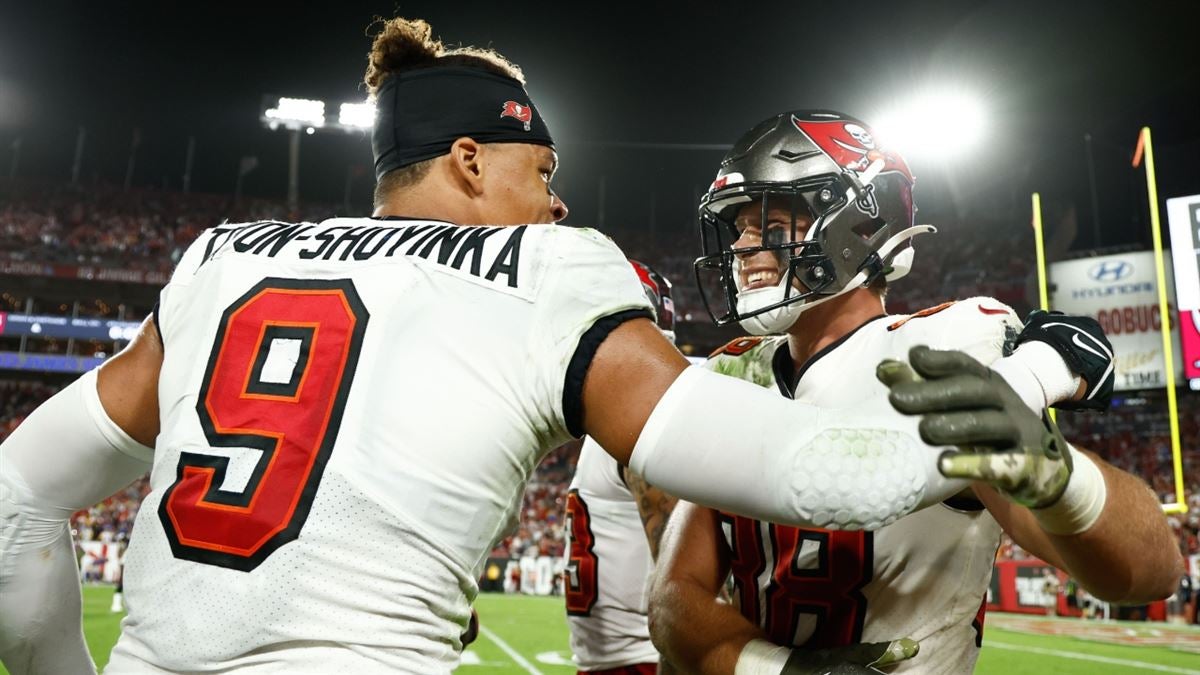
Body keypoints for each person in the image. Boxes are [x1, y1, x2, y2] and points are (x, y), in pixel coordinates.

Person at [0, 22, 993, 675]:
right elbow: (822, 476)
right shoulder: (544, 268)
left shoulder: (220, 258)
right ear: (471, 160)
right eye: (543, 169)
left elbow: (15, 497)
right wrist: (1029, 377)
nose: (558, 200)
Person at [650, 110, 1185, 674]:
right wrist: (776, 670)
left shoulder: (942, 349)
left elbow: (1149, 575)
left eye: (772, 225)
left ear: (857, 228)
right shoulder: (729, 374)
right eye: (737, 228)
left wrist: (1060, 479)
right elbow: (674, 596)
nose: (743, 248)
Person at [563, 259, 681, 675]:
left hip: (642, 662)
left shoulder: (642, 413)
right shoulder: (611, 417)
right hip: (615, 662)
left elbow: (680, 576)